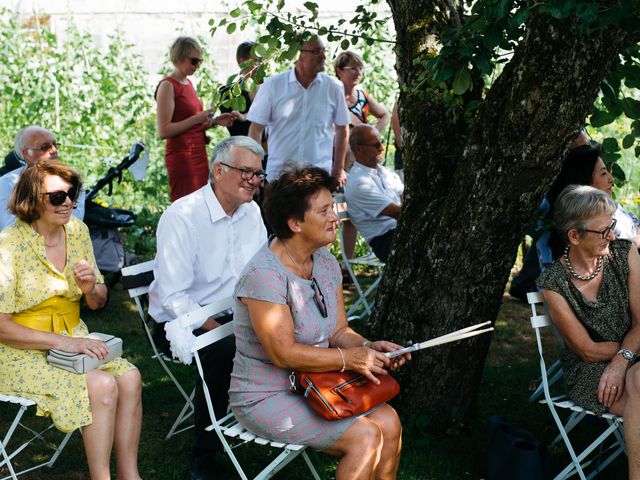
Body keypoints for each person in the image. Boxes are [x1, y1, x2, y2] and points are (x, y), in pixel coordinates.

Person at [229, 166, 409, 480]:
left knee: (390, 421)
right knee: (366, 438)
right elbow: (283, 354)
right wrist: (350, 359)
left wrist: (368, 347)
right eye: (324, 210)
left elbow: (339, 331)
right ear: (295, 222)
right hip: (267, 395)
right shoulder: (264, 275)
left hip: (318, 384)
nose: (335, 217)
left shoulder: (324, 259)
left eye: (333, 208)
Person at [0, 161, 142, 480]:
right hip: (18, 351)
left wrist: (91, 288)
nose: (68, 203)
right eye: (57, 197)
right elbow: (2, 326)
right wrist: (67, 342)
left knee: (130, 377)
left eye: (72, 194)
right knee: (103, 384)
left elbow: (98, 301)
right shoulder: (8, 246)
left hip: (73, 338)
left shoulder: (77, 231)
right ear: (32, 198)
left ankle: (130, 475)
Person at [148, 136, 268, 480]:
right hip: (183, 320)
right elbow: (174, 298)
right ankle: (204, 452)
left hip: (236, 310)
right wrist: (219, 326)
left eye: (258, 174)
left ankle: (283, 417)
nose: (254, 181)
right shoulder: (182, 216)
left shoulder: (252, 212)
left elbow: (259, 271)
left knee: (285, 331)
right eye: (246, 172)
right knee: (223, 350)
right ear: (218, 170)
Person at [538, 185, 640, 479]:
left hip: (629, 357)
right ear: (574, 236)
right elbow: (587, 350)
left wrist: (623, 359)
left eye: (611, 226)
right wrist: (628, 352)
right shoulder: (554, 283)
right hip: (591, 371)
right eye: (602, 231)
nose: (611, 235)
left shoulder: (625, 254)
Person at [247, 37, 350, 185]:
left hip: (318, 177)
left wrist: (338, 168)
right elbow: (255, 130)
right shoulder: (273, 86)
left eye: (323, 51)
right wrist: (255, 170)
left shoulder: (333, 87)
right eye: (316, 51)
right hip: (280, 177)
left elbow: (342, 129)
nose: (323, 56)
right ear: (298, 55)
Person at [155, 36, 237, 202]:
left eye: (200, 61)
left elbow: (192, 125)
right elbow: (164, 130)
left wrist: (214, 122)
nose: (197, 65)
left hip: (198, 153)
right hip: (182, 157)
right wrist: (196, 118)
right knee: (186, 204)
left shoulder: (188, 83)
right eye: (194, 61)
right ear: (179, 57)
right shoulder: (168, 85)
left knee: (201, 202)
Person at [0, 126, 85, 230]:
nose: (53, 150)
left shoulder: (72, 178)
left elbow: (74, 223)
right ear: (26, 153)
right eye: (45, 147)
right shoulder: (7, 183)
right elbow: (9, 227)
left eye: (55, 144)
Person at [344, 124, 404, 262]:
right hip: (386, 241)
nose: (382, 148)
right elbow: (398, 213)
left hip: (399, 231)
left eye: (381, 142)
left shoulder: (385, 172)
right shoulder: (359, 183)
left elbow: (406, 197)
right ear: (359, 149)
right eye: (376, 145)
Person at [219, 41, 259, 138]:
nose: (260, 64)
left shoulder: (267, 86)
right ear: (243, 63)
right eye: (255, 60)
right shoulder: (227, 93)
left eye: (261, 60)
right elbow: (236, 129)